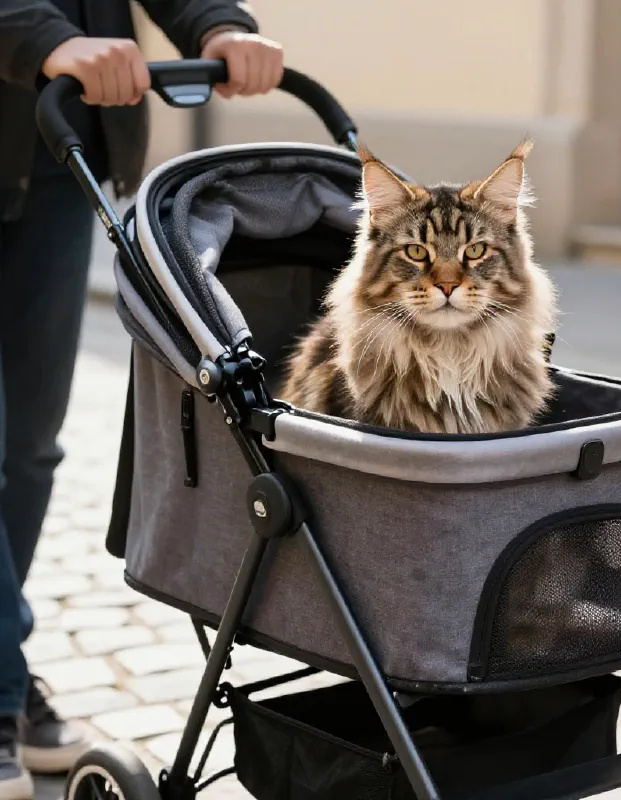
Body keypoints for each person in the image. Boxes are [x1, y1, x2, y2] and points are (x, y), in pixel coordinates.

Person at [0, 2, 283, 798]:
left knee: (32, 444)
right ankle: (1, 682)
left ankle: (3, 671)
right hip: (48, 76)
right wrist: (47, 38)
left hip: (57, 148)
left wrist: (216, 26)